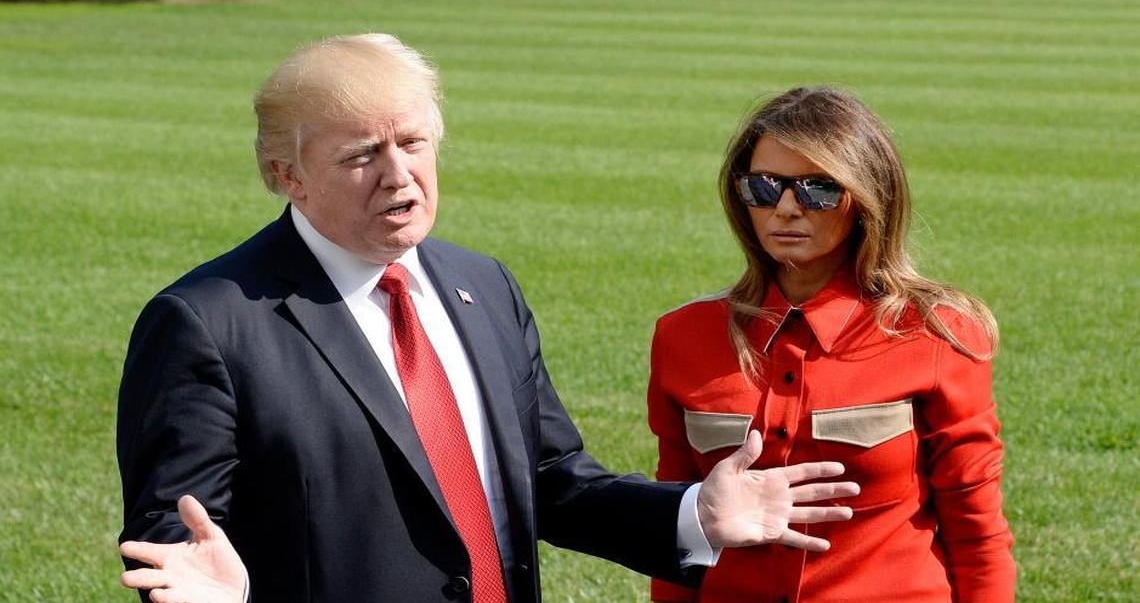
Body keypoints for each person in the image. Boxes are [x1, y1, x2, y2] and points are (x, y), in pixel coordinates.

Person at [116, 35, 861, 603]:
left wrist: (695, 515)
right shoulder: (207, 323)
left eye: (412, 142)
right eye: (361, 155)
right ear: (286, 174)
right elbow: (179, 550)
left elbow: (548, 480)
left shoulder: (481, 284)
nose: (399, 174)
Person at [646, 86, 1017, 603]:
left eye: (818, 189)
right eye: (765, 187)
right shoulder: (683, 336)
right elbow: (679, 534)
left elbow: (976, 530)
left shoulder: (935, 332)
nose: (787, 209)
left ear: (866, 197)